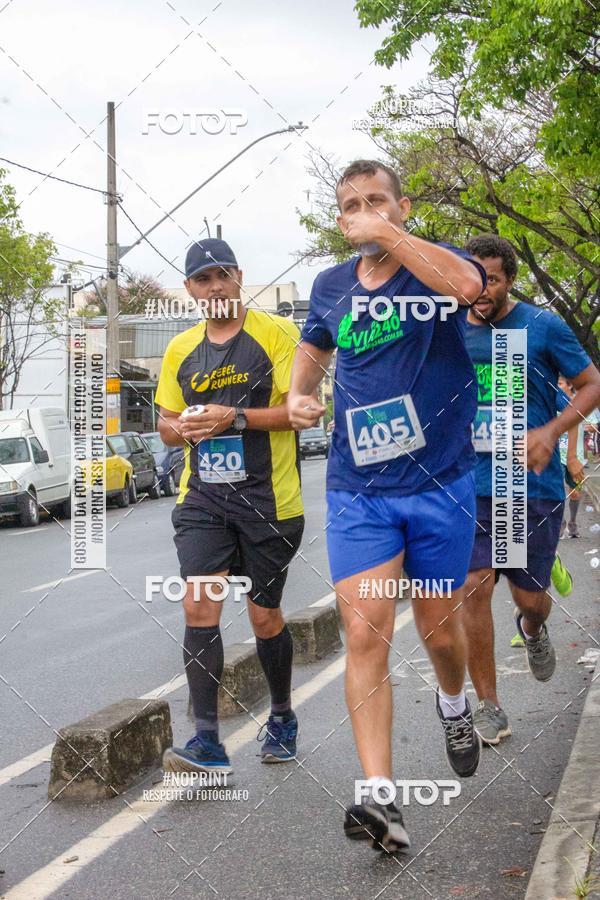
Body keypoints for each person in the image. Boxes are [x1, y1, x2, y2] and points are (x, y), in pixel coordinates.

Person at [288, 159, 487, 853]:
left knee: (438, 629)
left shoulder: (434, 266)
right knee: (367, 635)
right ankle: (380, 799)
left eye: (377, 201)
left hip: (440, 483)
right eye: (352, 205)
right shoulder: (331, 285)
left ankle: (454, 703)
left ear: (402, 207)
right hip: (358, 490)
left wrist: (392, 237)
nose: (364, 213)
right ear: (339, 219)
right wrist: (298, 394)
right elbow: (313, 345)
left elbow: (468, 286)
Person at [155, 238, 305, 775]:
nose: (214, 285)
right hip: (204, 499)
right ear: (191, 289)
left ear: (239, 276)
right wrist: (185, 427)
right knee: (200, 606)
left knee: (265, 617)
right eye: (202, 278)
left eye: (222, 274)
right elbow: (166, 427)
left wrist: (233, 418)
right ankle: (207, 742)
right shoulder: (180, 350)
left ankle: (283, 716)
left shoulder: (279, 334)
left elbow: (302, 410)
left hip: (270, 500)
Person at [462, 234, 600, 746]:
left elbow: (591, 383)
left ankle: (534, 628)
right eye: (473, 278)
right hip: (469, 481)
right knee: (474, 585)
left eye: (491, 279)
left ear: (509, 279)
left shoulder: (541, 326)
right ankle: (489, 705)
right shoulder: (448, 326)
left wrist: (552, 432)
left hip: (528, 482)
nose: (480, 289)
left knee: (530, 598)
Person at [557, 376, 586, 539]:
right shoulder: (552, 401)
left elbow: (592, 422)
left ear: (569, 386)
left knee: (575, 493)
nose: (557, 387)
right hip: (557, 455)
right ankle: (560, 522)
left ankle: (573, 522)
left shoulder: (580, 402)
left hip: (576, 455)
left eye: (560, 384)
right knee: (558, 490)